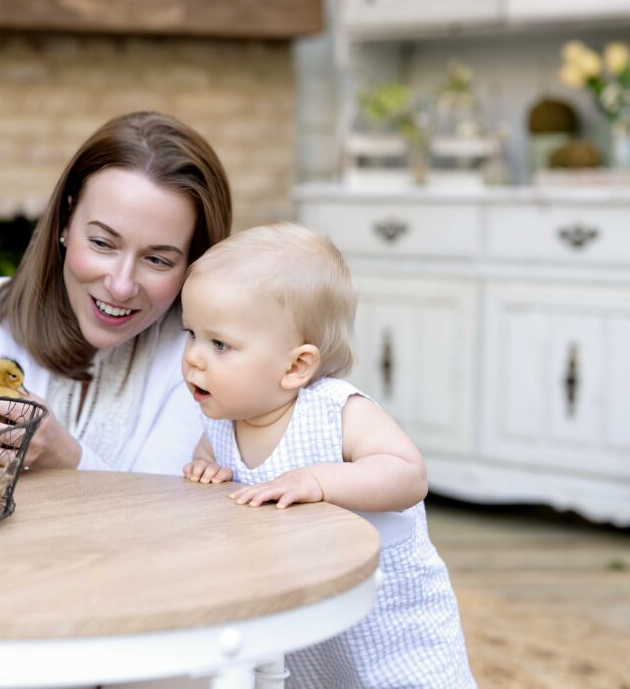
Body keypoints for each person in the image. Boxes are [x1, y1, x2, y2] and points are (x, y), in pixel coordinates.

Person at [180, 222, 475, 688]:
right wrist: (208, 464)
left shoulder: (334, 410)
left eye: (219, 344)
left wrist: (319, 480)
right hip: (313, 618)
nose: (194, 357)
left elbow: (408, 474)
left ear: (296, 366)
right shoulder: (222, 415)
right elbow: (217, 450)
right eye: (191, 333)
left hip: (391, 620)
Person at [0, 111, 232, 473]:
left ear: (195, 262)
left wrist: (64, 457)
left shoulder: (202, 362)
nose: (121, 285)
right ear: (66, 219)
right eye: (101, 243)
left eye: (157, 260)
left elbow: (167, 514)